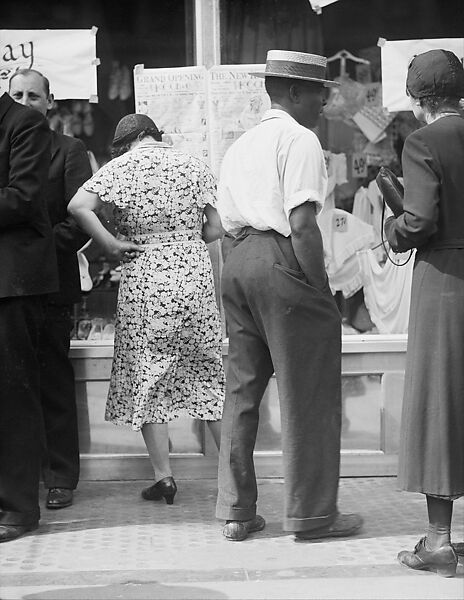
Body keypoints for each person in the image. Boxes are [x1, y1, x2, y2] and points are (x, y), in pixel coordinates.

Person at [215, 50, 363, 541]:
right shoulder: (299, 139)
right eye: (318, 91)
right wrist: (319, 287)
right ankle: (313, 515)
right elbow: (302, 224)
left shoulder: (241, 145)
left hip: (237, 261)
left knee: (241, 391)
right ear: (295, 92)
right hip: (282, 259)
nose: (323, 101)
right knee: (310, 393)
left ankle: (237, 510)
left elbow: (221, 223)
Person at [68, 114, 225, 503]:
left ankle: (165, 477)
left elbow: (78, 206)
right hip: (194, 276)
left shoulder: (120, 169)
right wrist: (188, 236)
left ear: (130, 142)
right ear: (157, 136)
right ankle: (235, 475)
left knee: (150, 374)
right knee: (207, 374)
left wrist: (109, 243)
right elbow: (216, 228)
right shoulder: (193, 164)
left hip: (146, 276)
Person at [384, 49, 464, 577]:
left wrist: (392, 230)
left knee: (440, 400)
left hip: (445, 283)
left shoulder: (423, 141)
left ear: (418, 101)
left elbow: (418, 222)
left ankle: (439, 540)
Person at [9, 69, 93, 510]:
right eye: (17, 94)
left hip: (52, 282)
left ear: (50, 102)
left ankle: (60, 475)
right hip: (10, 287)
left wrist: (37, 256)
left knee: (52, 379)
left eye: (34, 95)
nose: (26, 101)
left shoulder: (69, 150)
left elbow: (80, 218)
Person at [0, 91, 58, 542]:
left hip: (11, 282)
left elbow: (22, 198)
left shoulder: (25, 123)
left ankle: (19, 508)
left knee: (13, 394)